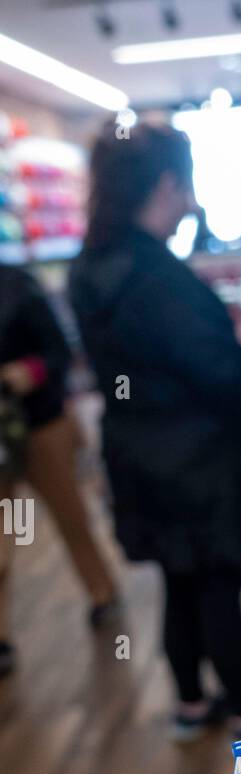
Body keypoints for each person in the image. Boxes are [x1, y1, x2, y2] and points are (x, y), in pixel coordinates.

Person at [70, 121, 241, 740]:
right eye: (185, 185)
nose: (190, 201)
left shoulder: (90, 265)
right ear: (165, 182)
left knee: (177, 580)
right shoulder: (157, 275)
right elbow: (217, 372)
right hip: (197, 457)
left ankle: (188, 704)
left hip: (136, 449)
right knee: (217, 581)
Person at [0, 264, 117, 678]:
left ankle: (101, 592)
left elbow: (60, 352)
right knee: (5, 537)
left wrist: (26, 374)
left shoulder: (17, 285)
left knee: (71, 517)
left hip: (41, 424)